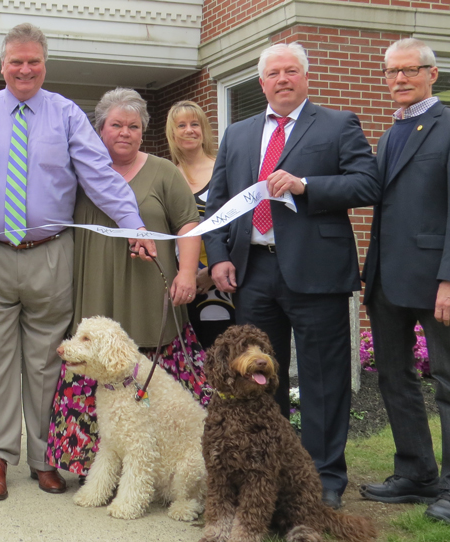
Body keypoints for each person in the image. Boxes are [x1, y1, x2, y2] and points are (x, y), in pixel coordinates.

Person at [0, 23, 154, 501]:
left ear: (44, 64)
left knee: (49, 362)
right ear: (1, 64)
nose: (24, 69)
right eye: (15, 61)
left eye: (33, 61)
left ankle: (45, 458)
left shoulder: (66, 113)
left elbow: (99, 175)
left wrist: (133, 223)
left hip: (51, 254)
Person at [203, 42, 380, 510]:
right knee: (261, 381)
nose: (282, 79)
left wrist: (307, 186)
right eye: (273, 73)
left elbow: (367, 183)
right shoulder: (238, 134)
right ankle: (272, 473)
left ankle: (323, 478)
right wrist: (219, 256)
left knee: (324, 378)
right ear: (261, 83)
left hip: (316, 271)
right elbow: (217, 202)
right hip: (253, 272)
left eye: (291, 71)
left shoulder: (338, 124)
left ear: (305, 77)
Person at [46, 88, 204, 479]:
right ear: (99, 129)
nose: (125, 133)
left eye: (134, 126)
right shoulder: (81, 171)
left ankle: (160, 467)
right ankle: (87, 465)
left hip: (150, 294)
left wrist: (186, 272)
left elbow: (188, 223)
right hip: (95, 289)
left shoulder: (164, 172)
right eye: (116, 125)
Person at [358, 38, 450, 523]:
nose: (398, 79)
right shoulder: (392, 133)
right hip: (387, 280)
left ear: (432, 74)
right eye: (391, 72)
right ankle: (416, 473)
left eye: (408, 71)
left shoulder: (448, 124)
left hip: (436, 282)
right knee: (396, 378)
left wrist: (449, 280)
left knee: (449, 383)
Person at [166, 100, 235, 348]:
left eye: (195, 124)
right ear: (172, 133)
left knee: (225, 353)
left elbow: (239, 226)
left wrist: (211, 270)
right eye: (181, 125)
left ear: (204, 129)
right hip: (179, 283)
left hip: (220, 280)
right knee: (189, 355)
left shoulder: (224, 171)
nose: (189, 130)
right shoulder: (167, 175)